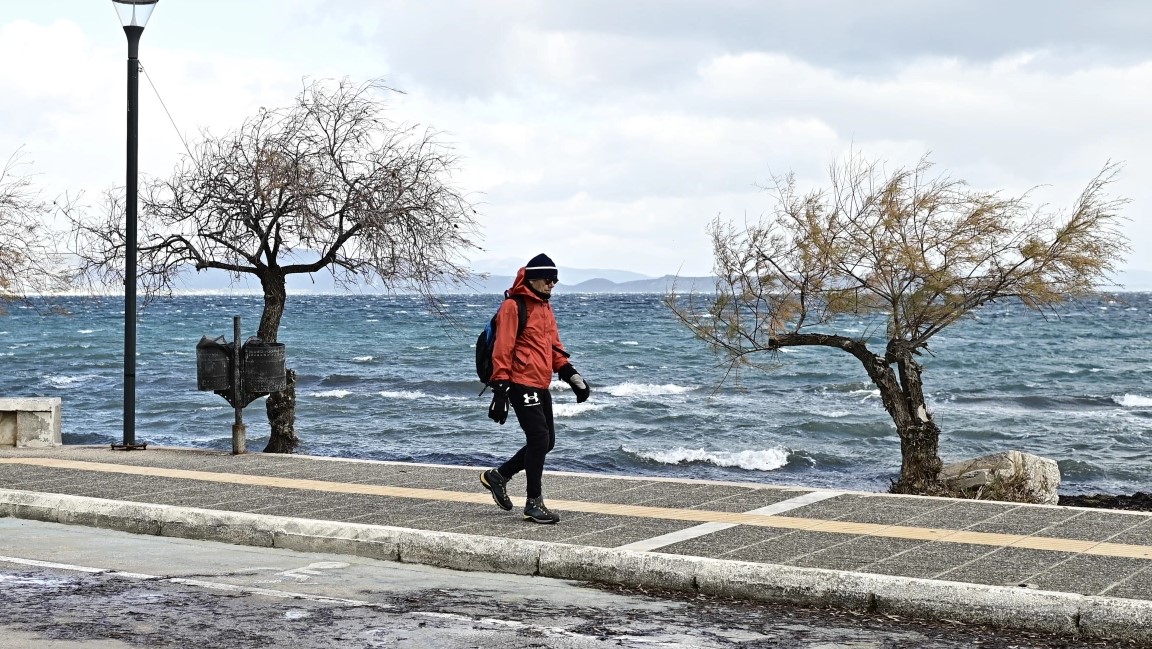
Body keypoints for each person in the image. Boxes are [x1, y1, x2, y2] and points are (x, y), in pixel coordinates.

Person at [480, 253, 591, 524]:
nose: (552, 284)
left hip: (540, 382)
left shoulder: (544, 307)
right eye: (548, 279)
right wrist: (500, 389)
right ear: (533, 279)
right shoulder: (513, 306)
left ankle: (499, 476)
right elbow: (503, 349)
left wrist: (570, 373)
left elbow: (553, 348)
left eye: (555, 280)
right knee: (539, 439)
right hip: (519, 382)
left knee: (547, 442)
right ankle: (533, 503)